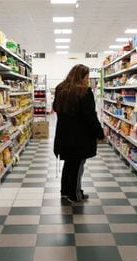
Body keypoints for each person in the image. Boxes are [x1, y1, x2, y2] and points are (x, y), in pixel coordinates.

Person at [53, 64, 105, 203]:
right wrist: (100, 133)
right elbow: (90, 117)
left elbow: (55, 108)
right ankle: (75, 194)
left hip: (64, 135)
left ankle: (65, 191)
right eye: (87, 77)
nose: (88, 80)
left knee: (69, 164)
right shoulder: (85, 92)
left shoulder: (60, 89)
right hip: (80, 137)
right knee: (77, 166)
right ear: (81, 76)